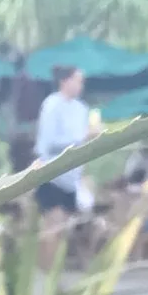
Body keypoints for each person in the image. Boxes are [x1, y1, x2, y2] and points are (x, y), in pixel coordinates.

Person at [31, 63, 97, 229]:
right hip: (52, 176)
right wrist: (82, 137)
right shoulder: (52, 105)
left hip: (72, 179)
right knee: (53, 227)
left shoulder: (81, 109)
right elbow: (47, 144)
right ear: (64, 81)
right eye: (77, 81)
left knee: (67, 230)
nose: (80, 85)